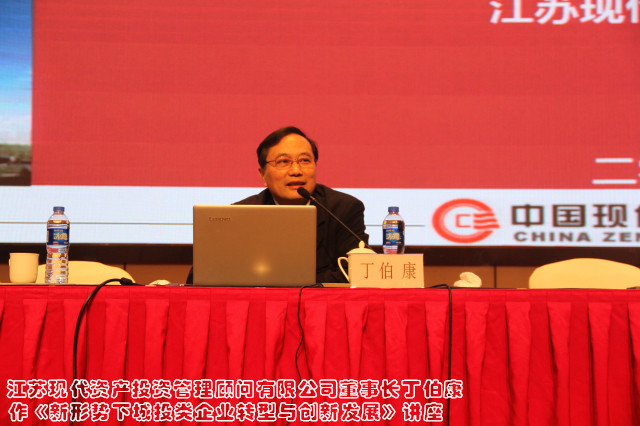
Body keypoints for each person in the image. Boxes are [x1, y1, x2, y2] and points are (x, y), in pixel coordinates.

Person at [186, 126, 368, 284]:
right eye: (283, 162)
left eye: (305, 160)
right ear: (262, 174)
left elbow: (357, 272)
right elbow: (200, 277)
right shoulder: (241, 215)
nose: (296, 171)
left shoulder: (344, 209)